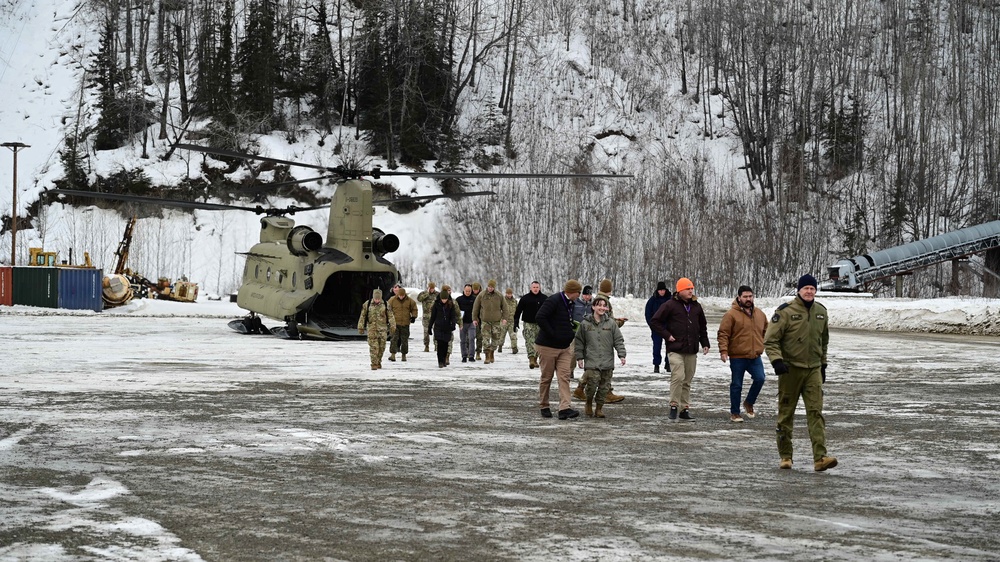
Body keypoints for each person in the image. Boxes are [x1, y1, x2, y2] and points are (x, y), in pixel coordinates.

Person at [765, 274, 837, 472]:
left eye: (812, 289)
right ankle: (786, 456)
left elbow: (824, 341)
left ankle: (820, 458)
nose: (809, 291)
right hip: (790, 370)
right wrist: (777, 361)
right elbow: (770, 340)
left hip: (813, 369)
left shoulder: (821, 312)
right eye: (805, 288)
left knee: (816, 413)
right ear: (798, 290)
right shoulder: (785, 312)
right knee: (786, 414)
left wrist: (823, 365)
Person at [650, 277, 709, 421]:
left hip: (691, 349)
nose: (690, 291)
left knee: (687, 379)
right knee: (678, 376)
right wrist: (667, 335)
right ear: (680, 290)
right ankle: (674, 405)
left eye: (691, 288)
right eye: (687, 289)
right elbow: (655, 321)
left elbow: (702, 326)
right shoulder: (670, 305)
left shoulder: (696, 306)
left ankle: (684, 409)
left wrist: (705, 343)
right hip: (675, 348)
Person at [717, 285, 767, 423]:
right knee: (737, 384)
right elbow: (723, 333)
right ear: (739, 298)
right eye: (745, 297)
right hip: (737, 356)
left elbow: (767, 332)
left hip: (754, 356)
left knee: (760, 378)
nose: (748, 299)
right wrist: (723, 351)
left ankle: (749, 402)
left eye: (750, 296)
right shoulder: (731, 315)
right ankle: (735, 413)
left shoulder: (760, 314)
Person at [535, 279, 583, 420]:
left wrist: (570, 331)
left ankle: (564, 408)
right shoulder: (554, 300)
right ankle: (544, 405)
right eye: (578, 292)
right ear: (572, 292)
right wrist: (553, 333)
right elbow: (540, 317)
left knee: (564, 377)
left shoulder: (570, 303)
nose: (579, 295)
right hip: (547, 347)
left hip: (564, 348)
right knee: (547, 378)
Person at [574, 296, 626, 418]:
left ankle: (599, 408)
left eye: (604, 305)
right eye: (599, 305)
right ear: (593, 307)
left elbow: (618, 340)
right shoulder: (585, 324)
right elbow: (579, 341)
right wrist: (579, 357)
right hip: (592, 361)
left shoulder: (611, 324)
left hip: (607, 361)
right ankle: (588, 402)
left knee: (604, 388)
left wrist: (621, 354)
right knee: (592, 385)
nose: (602, 308)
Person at [357, 288, 396, 370]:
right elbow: (362, 316)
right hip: (372, 329)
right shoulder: (367, 304)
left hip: (383, 330)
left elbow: (391, 316)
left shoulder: (386, 304)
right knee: (374, 347)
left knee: (382, 348)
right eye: (375, 298)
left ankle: (378, 361)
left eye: (378, 298)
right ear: (373, 297)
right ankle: (374, 364)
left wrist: (393, 326)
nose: (377, 300)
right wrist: (360, 327)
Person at [472, 279, 508, 364]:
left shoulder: (499, 295)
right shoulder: (482, 295)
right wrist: (474, 318)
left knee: (496, 339)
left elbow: (505, 307)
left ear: (494, 287)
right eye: (489, 287)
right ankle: (487, 355)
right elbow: (475, 307)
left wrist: (505, 318)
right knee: (485, 339)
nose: (490, 288)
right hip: (485, 321)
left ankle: (492, 351)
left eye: (492, 287)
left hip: (496, 321)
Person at [514, 281, 547, 369]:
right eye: (534, 287)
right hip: (528, 323)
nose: (535, 289)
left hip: (540, 324)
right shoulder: (525, 298)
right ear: (530, 288)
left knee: (539, 342)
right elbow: (518, 311)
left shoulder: (544, 298)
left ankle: (536, 359)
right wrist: (516, 322)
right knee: (529, 341)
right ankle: (531, 359)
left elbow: (549, 311)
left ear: (539, 288)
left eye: (537, 287)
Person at [644, 281, 672, 373]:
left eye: (663, 290)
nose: (662, 292)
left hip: (668, 327)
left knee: (669, 346)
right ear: (657, 290)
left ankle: (668, 364)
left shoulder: (670, 299)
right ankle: (656, 365)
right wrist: (651, 325)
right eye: (660, 290)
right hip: (656, 327)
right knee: (656, 346)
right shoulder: (652, 300)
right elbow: (648, 314)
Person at [387, 286, 418, 362]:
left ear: (405, 295)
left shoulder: (410, 301)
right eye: (400, 295)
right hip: (395, 324)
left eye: (402, 296)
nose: (401, 297)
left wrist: (413, 316)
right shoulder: (392, 300)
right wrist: (388, 319)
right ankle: (393, 354)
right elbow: (387, 309)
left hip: (405, 324)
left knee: (404, 340)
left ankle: (404, 355)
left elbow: (414, 309)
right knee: (394, 339)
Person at [428, 290, 458, 368]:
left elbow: (453, 316)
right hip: (438, 327)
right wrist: (429, 327)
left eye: (445, 299)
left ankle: (444, 360)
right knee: (440, 345)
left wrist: (453, 324)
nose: (444, 300)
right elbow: (433, 317)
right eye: (442, 299)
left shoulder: (451, 305)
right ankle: (440, 361)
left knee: (445, 345)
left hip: (447, 328)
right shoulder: (436, 305)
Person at [456, 284, 478, 363]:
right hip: (462, 323)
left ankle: (471, 355)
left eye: (469, 291)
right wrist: (458, 321)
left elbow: (478, 309)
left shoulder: (475, 299)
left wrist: (477, 319)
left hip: (472, 322)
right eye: (466, 291)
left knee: (472, 338)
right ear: (464, 290)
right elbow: (456, 311)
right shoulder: (459, 299)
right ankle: (464, 355)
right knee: (463, 340)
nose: (468, 292)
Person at [416, 282, 439, 352]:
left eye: (433, 288)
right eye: (430, 288)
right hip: (426, 316)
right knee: (426, 332)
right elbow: (419, 299)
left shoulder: (437, 294)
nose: (431, 290)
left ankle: (436, 346)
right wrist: (427, 293)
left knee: (436, 331)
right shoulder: (423, 293)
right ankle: (426, 346)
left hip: (435, 316)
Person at [498, 287, 519, 354]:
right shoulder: (502, 301)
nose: (509, 295)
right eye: (508, 294)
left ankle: (514, 348)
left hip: (512, 321)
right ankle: (500, 346)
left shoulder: (515, 301)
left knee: (513, 335)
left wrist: (516, 320)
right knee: (501, 335)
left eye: (510, 294)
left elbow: (517, 311)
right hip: (504, 321)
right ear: (506, 293)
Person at [471, 282, 484, 360]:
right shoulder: (470, 296)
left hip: (481, 319)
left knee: (480, 337)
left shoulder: (482, 296)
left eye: (477, 290)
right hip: (471, 319)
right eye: (474, 290)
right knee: (470, 337)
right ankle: (470, 352)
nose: (475, 291)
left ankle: (478, 352)